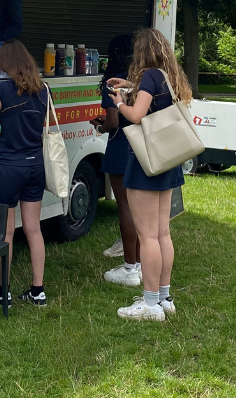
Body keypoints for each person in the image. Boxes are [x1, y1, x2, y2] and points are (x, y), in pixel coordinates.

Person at [107, 28, 192, 322]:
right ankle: (165, 298)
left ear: (141, 52)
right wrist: (131, 86)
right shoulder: (166, 77)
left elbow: (137, 115)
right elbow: (152, 99)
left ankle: (150, 304)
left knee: (147, 236)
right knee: (162, 232)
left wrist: (119, 101)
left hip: (146, 165)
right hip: (168, 161)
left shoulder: (149, 77)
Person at [0, 39, 49, 307]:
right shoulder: (44, 91)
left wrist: (3, 128)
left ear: (7, 63)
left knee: (5, 233)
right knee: (34, 229)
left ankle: (4, 293)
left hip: (8, 166)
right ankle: (37, 291)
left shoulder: (3, 90)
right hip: (35, 166)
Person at [90, 34, 139, 287]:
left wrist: (101, 126)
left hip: (120, 147)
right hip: (140, 147)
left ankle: (129, 267)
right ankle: (140, 264)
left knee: (126, 208)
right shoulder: (139, 80)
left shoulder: (112, 82)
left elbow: (113, 121)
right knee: (140, 209)